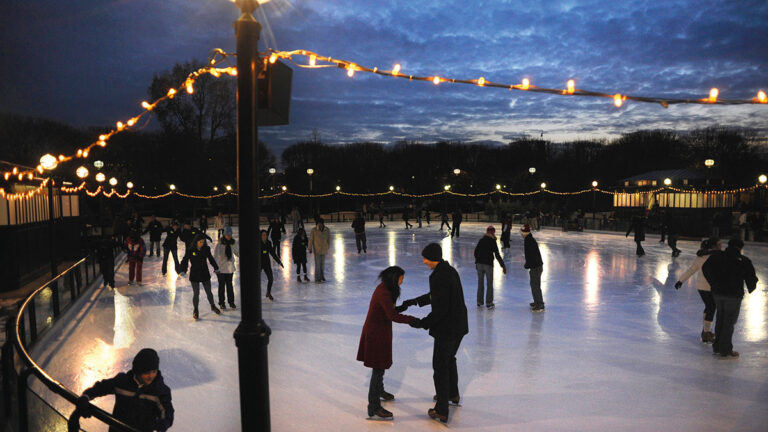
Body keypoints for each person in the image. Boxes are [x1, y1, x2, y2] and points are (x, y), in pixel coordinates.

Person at [401, 243, 468, 423]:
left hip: (448, 328)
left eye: (426, 258)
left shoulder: (439, 277)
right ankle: (452, 394)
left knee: (440, 367)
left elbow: (441, 309)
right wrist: (416, 301)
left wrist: (422, 323)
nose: (423, 261)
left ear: (433, 258)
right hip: (459, 325)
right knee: (449, 360)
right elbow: (436, 296)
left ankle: (441, 410)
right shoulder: (449, 271)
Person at [356, 266, 417, 420]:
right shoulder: (384, 292)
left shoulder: (387, 288)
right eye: (401, 278)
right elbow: (392, 315)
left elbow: (390, 310)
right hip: (375, 333)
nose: (402, 281)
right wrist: (412, 320)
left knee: (381, 365)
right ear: (394, 278)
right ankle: (374, 406)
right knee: (378, 368)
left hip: (380, 331)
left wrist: (402, 307)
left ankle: (380, 391)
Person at [76, 348, 174, 432]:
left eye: (154, 371)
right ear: (138, 371)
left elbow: (167, 412)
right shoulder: (122, 382)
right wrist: (86, 396)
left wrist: (161, 424)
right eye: (146, 372)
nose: (151, 376)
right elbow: (102, 387)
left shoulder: (159, 391)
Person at [702, 237, 758, 358]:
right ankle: (725, 349)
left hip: (717, 294)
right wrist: (751, 286)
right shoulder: (743, 260)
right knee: (729, 322)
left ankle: (717, 347)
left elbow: (705, 268)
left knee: (720, 319)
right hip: (733, 295)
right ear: (740, 248)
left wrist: (713, 283)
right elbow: (751, 277)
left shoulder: (718, 256)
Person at [675, 237, 721, 343]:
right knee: (711, 307)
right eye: (719, 244)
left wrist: (680, 281)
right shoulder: (716, 256)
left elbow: (691, 270)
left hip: (701, 287)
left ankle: (705, 332)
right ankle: (706, 333)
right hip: (710, 287)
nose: (721, 246)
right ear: (713, 246)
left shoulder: (701, 256)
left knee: (709, 306)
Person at [179, 234, 221, 319]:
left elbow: (211, 259)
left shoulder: (206, 249)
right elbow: (185, 260)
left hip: (204, 273)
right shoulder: (190, 250)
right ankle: (196, 310)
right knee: (196, 293)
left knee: (209, 292)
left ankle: (212, 306)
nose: (202, 243)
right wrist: (183, 269)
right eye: (200, 242)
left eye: (203, 242)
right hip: (194, 274)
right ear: (196, 242)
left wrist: (216, 268)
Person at [474, 226, 507, 308]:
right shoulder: (492, 241)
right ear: (493, 232)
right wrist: (503, 266)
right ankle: (489, 303)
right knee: (489, 284)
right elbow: (497, 255)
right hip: (488, 265)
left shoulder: (481, 240)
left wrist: (478, 260)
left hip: (479, 264)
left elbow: (475, 252)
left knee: (480, 283)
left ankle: (479, 301)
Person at [521, 224, 545, 311]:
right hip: (536, 266)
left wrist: (527, 265)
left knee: (535, 285)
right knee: (535, 285)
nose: (521, 234)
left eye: (522, 232)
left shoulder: (528, 241)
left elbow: (530, 255)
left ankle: (540, 304)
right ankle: (537, 301)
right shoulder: (529, 239)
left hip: (536, 267)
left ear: (525, 232)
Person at [213, 226, 238, 310]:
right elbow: (215, 256)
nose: (228, 236)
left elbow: (237, 252)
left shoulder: (233, 242)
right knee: (221, 286)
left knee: (230, 286)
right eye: (227, 235)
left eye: (230, 235)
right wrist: (216, 268)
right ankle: (222, 303)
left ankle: (231, 302)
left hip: (230, 268)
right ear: (224, 235)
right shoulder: (220, 243)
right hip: (221, 269)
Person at [260, 229, 284, 300]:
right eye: (263, 235)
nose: (265, 236)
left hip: (266, 263)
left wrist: (279, 262)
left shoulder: (268, 243)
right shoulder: (257, 243)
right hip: (259, 263)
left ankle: (268, 292)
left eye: (266, 235)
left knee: (271, 279)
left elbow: (273, 253)